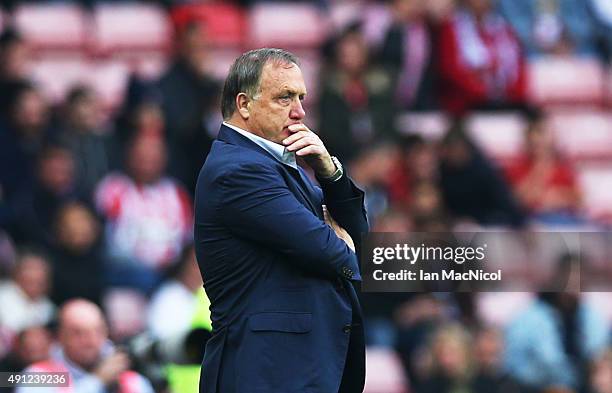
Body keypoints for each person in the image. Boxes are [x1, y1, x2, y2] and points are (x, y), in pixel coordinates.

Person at [194, 48, 369, 393]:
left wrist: (330, 173)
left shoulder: (285, 164)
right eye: (285, 97)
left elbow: (361, 244)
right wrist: (340, 241)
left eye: (302, 97)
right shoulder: (238, 170)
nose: (300, 111)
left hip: (298, 372)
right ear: (244, 104)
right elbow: (334, 254)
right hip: (266, 374)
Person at [18, 299, 154, 393]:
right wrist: (97, 381)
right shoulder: (40, 374)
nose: (90, 341)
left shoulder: (130, 380)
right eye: (78, 333)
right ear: (60, 337)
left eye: (98, 331)